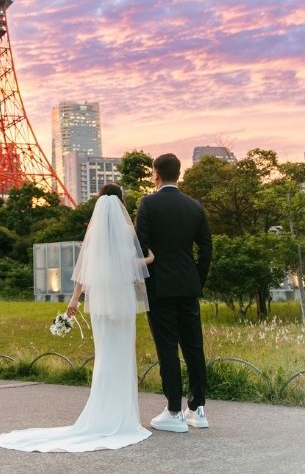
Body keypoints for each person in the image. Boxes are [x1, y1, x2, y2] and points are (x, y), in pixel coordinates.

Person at [0, 184, 152, 452]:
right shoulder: (126, 232)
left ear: (100, 203)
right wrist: (148, 262)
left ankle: (101, 413)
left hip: (100, 303)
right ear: (122, 203)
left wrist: (75, 299)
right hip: (122, 302)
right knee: (123, 354)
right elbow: (130, 268)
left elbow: (85, 269)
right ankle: (123, 417)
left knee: (105, 354)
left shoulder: (95, 233)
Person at [135, 153, 214, 433]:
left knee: (167, 348)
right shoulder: (195, 207)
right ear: (178, 173)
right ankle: (197, 409)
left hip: (159, 287)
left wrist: (145, 277)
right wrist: (197, 278)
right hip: (188, 286)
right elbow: (206, 249)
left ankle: (173, 412)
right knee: (194, 346)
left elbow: (140, 245)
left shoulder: (149, 203)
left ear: (155, 173)